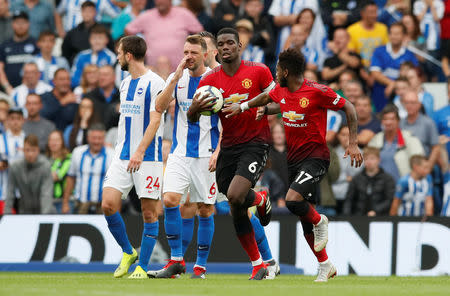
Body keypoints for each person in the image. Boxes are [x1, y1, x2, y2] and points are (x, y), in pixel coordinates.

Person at [224, 47, 363, 282]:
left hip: (316, 156)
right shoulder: (284, 90)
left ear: (286, 71)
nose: (275, 72)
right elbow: (271, 99)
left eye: (277, 69)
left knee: (292, 200)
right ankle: (325, 264)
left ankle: (321, 220)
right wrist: (254, 108)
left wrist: (353, 143)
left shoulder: (318, 91)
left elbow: (348, 106)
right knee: (303, 215)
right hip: (294, 159)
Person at [187, 28, 274, 280]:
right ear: (217, 50)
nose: (225, 47)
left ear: (240, 45)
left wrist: (264, 109)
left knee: (236, 195)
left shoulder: (258, 71)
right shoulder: (209, 81)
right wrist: (194, 107)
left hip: (256, 142)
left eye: (230, 43)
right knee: (234, 203)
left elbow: (280, 99)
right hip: (229, 146)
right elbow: (192, 118)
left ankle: (259, 261)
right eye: (221, 44)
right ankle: (258, 263)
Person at [149, 35, 219, 279]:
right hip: (180, 153)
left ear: (205, 54)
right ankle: (176, 260)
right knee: (169, 200)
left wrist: (219, 151)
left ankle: (199, 266)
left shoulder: (216, 79)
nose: (188, 57)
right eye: (185, 52)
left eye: (193, 53)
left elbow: (226, 122)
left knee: (205, 209)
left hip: (206, 154)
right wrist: (175, 78)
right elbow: (159, 105)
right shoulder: (176, 78)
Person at [101, 35, 166, 279]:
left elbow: (155, 120)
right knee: (108, 203)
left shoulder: (156, 83)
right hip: (122, 154)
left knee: (149, 212)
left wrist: (139, 151)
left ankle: (142, 267)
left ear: (128, 55)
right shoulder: (125, 84)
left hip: (148, 157)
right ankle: (128, 252)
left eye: (119, 53)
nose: (117, 57)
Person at [125, 0, 203, 71]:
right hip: (154, 72)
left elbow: (200, 32)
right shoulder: (147, 16)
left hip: (182, 70)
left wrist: (193, 53)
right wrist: (138, 51)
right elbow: (128, 30)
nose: (160, 1)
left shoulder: (184, 14)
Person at [62, 123, 113, 214]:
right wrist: (65, 203)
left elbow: (115, 184)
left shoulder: (111, 155)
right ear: (88, 138)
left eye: (99, 138)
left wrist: (116, 208)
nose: (96, 141)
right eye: (94, 138)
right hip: (81, 205)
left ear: (104, 139)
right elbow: (71, 178)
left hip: (102, 207)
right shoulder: (77, 153)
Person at [369, 104, 425, 182]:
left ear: (398, 121)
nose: (388, 122)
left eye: (392, 119)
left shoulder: (409, 138)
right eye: (385, 119)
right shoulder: (376, 139)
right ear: (382, 121)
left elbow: (419, 162)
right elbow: (368, 161)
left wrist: (409, 182)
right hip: (380, 187)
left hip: (403, 187)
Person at [370, 22, 418, 112]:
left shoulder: (409, 54)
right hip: (381, 93)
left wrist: (394, 85)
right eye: (392, 33)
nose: (394, 36)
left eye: (397, 34)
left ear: (404, 35)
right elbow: (375, 73)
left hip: (402, 95)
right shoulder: (379, 51)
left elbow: (413, 76)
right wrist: (392, 83)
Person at [4, 134, 54, 214]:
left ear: (38, 150)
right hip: (24, 212)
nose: (30, 154)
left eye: (33, 150)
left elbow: (46, 194)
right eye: (27, 150)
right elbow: (10, 192)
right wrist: (6, 215)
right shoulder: (15, 167)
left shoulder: (45, 166)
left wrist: (44, 217)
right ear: (23, 150)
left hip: (44, 212)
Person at [343, 146, 395, 216]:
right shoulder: (357, 179)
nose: (369, 162)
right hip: (358, 217)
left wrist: (376, 211)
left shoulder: (388, 179)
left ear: (379, 160)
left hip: (381, 218)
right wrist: (347, 217)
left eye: (372, 158)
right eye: (366, 159)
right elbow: (349, 200)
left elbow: (389, 200)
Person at [61, 1, 115, 65]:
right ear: (81, 12)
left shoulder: (103, 31)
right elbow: (66, 53)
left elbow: (111, 49)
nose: (87, 14)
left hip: (101, 66)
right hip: (79, 66)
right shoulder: (72, 33)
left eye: (90, 11)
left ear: (95, 12)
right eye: (84, 11)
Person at [400, 91, 440, 170]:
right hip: (405, 166)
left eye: (413, 103)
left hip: (423, 166)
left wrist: (428, 167)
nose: (409, 106)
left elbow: (436, 148)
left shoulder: (428, 123)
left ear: (419, 104)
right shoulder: (400, 124)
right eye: (407, 103)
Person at [0, 11, 39, 93]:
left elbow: (40, 67)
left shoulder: (35, 44)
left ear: (28, 24)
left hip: (32, 91)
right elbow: (0, 68)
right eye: (17, 22)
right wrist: (7, 87)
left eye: (23, 22)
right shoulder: (4, 45)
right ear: (12, 24)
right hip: (8, 90)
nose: (20, 26)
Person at [347, 1, 388, 70]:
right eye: (371, 12)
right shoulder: (351, 30)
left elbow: (386, 50)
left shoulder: (383, 28)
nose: (375, 15)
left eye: (376, 12)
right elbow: (351, 53)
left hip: (379, 67)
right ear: (362, 13)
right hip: (359, 68)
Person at [331, 125, 363, 213]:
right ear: (338, 136)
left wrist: (350, 152)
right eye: (343, 135)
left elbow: (358, 175)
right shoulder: (332, 153)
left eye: (349, 135)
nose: (346, 138)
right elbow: (332, 176)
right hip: (335, 196)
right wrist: (346, 178)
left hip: (355, 196)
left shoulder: (361, 153)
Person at [85, 65, 120, 130]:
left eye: (105, 75)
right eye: (100, 75)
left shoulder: (122, 96)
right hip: (95, 135)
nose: (102, 77)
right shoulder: (89, 97)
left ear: (114, 78)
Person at [46, 130, 72, 213]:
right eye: (51, 140)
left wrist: (44, 175)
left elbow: (57, 176)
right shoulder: (44, 158)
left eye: (57, 140)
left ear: (62, 142)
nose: (54, 143)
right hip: (47, 201)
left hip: (63, 201)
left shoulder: (68, 158)